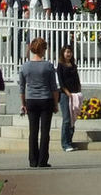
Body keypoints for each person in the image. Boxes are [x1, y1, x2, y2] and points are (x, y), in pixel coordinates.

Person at [18, 37, 59, 168]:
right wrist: (55, 103)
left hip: (31, 100)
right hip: (46, 99)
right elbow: (54, 87)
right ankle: (43, 160)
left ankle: (33, 159)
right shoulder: (48, 66)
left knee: (33, 130)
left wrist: (23, 103)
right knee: (45, 131)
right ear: (41, 49)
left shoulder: (25, 67)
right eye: (45, 48)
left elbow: (22, 88)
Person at [56, 44, 82, 153]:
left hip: (75, 95)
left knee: (72, 119)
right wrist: (67, 93)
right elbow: (61, 82)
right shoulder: (60, 66)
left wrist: (79, 91)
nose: (68, 54)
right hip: (65, 95)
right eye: (67, 52)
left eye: (70, 52)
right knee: (66, 119)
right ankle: (65, 144)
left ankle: (70, 142)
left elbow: (77, 79)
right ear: (63, 53)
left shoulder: (73, 65)